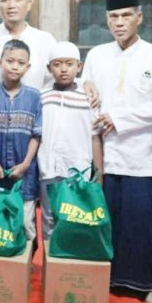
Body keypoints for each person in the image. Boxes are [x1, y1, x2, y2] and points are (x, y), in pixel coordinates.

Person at [82, 0, 152, 303]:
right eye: (113, 16)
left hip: (139, 157)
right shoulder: (96, 55)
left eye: (126, 16)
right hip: (104, 156)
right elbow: (87, 92)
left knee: (143, 225)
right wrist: (87, 84)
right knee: (105, 222)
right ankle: (106, 278)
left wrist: (120, 119)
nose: (119, 22)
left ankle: (148, 285)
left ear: (140, 16)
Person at [0, 39, 42, 247]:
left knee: (25, 222)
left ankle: (25, 268)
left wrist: (25, 164)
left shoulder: (34, 97)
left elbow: (36, 135)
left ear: (28, 67)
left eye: (21, 63)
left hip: (25, 173)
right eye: (10, 61)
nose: (15, 66)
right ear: (0, 62)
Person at [37, 41, 104, 239]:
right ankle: (51, 266)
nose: (63, 69)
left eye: (69, 63)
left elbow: (95, 137)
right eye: (57, 64)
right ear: (49, 68)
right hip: (48, 166)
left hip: (78, 168)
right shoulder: (42, 96)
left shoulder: (89, 97)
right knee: (49, 217)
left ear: (79, 66)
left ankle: (69, 262)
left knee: (75, 217)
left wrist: (99, 172)